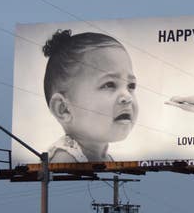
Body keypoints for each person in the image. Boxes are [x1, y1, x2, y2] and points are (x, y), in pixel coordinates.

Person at [42, 30, 138, 163]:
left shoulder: (106, 158)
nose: (127, 97)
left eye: (131, 86)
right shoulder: (64, 159)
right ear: (63, 109)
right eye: (109, 84)